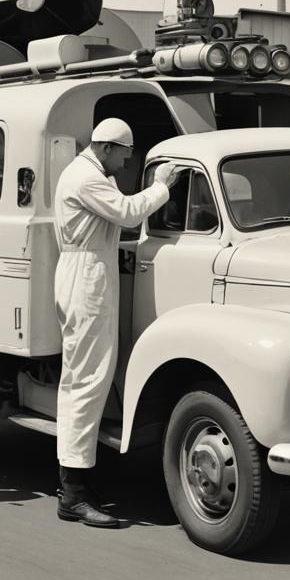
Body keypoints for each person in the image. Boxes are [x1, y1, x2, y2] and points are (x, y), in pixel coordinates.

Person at [53, 118, 177, 528]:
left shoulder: (83, 173)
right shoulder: (87, 177)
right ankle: (72, 493)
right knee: (86, 384)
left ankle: (77, 486)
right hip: (85, 279)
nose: (126, 162)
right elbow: (127, 212)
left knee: (84, 381)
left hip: (85, 273)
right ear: (106, 148)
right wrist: (162, 184)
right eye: (124, 153)